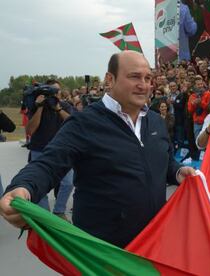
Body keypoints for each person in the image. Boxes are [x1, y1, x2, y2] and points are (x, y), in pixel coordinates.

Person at [0, 51, 196, 248]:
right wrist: (23, 186)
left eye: (147, 78)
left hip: (154, 242)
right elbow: (48, 164)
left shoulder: (155, 121)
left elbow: (165, 160)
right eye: (134, 76)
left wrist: (178, 171)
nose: (143, 85)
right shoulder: (84, 122)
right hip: (104, 251)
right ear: (110, 79)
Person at [25, 80, 74, 220]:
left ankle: (59, 211)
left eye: (56, 91)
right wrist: (40, 108)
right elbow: (30, 131)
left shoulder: (65, 106)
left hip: (62, 150)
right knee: (40, 183)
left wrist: (58, 108)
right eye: (51, 91)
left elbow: (74, 123)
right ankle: (45, 215)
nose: (54, 94)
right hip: (39, 149)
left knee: (68, 182)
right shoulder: (36, 107)